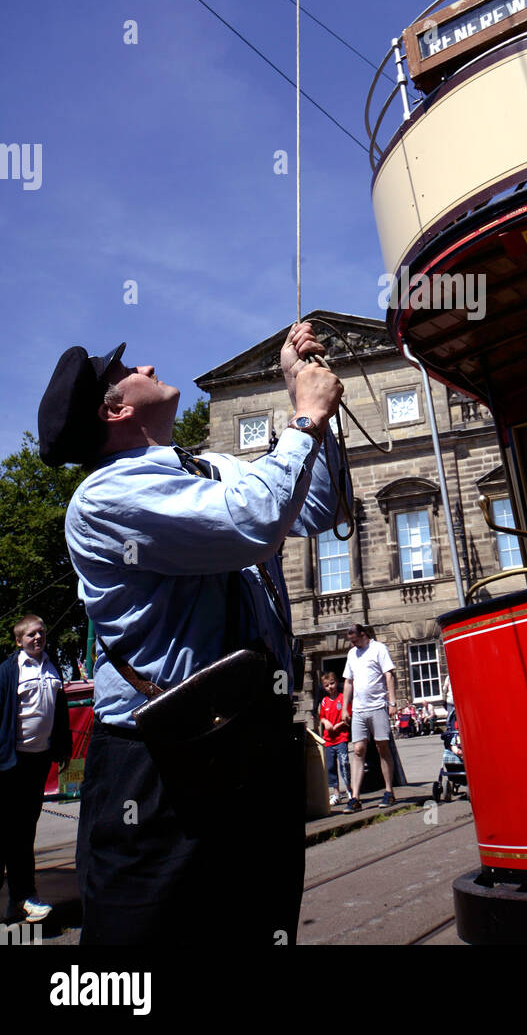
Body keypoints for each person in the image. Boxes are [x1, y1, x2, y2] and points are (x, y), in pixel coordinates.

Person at [37, 321, 344, 947]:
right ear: (116, 407)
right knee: (142, 948)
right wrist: (305, 419)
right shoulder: (106, 495)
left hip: (251, 745)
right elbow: (254, 520)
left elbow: (315, 507)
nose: (148, 365)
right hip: (162, 764)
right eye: (128, 370)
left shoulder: (209, 465)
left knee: (257, 924)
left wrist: (305, 399)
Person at [0, 615, 72, 923]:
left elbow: (61, 712)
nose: (38, 637)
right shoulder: (7, 671)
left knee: (24, 831)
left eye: (41, 632)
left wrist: (63, 748)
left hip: (38, 762)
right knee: (9, 832)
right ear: (19, 641)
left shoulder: (52, 667)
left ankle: (21, 899)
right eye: (31, 634)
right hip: (10, 763)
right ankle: (20, 897)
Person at [341, 624, 397, 811]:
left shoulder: (379, 649)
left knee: (382, 747)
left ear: (363, 634)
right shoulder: (351, 654)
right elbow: (348, 681)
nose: (353, 644)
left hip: (378, 706)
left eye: (355, 640)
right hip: (359, 708)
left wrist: (392, 702)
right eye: (351, 641)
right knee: (358, 749)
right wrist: (345, 709)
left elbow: (388, 675)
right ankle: (355, 798)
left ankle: (389, 791)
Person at [318, 671, 350, 805]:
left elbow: (348, 716)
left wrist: (338, 725)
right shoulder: (324, 702)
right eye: (326, 685)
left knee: (344, 764)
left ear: (336, 682)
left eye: (332, 683)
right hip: (329, 740)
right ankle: (336, 792)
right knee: (331, 767)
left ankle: (349, 789)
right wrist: (325, 722)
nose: (330, 687)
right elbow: (322, 717)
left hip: (341, 738)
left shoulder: (343, 698)